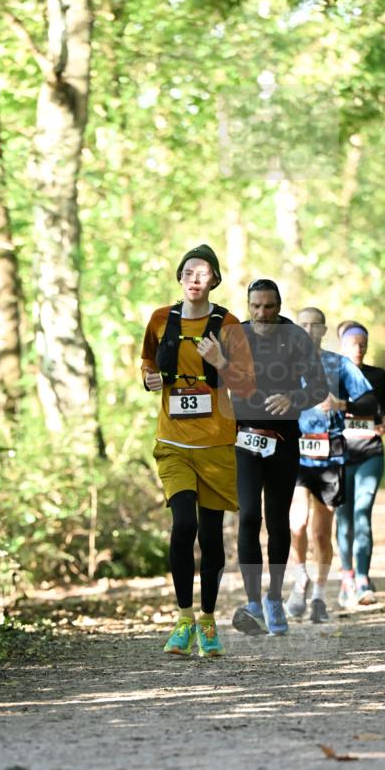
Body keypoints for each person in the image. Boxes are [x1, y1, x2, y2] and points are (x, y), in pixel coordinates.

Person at [141, 243, 255, 658]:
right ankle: (183, 618)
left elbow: (246, 385)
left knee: (210, 534)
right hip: (173, 442)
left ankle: (208, 620)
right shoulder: (159, 320)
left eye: (203, 273)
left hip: (217, 442)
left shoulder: (228, 324)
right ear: (180, 277)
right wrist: (150, 380)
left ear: (215, 280)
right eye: (189, 271)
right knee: (183, 524)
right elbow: (149, 364)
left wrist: (221, 361)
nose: (195, 278)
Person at [230, 280, 328, 636]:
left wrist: (293, 398)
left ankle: (273, 597)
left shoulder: (295, 338)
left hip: (283, 441)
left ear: (279, 305)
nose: (262, 314)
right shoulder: (235, 335)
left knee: (276, 520)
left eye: (269, 307)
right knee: (248, 517)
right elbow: (212, 376)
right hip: (243, 440)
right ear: (248, 305)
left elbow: (318, 387)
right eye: (255, 306)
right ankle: (253, 601)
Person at [286, 308, 376, 623]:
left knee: (321, 534)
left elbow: (369, 402)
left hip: (330, 455)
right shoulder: (284, 364)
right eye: (303, 325)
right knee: (295, 525)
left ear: (323, 330)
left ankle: (319, 596)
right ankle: (299, 580)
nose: (309, 330)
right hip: (295, 454)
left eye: (315, 325)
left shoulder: (339, 364)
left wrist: (341, 404)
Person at [335, 322, 385, 606]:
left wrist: (384, 421)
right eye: (353, 343)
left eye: (363, 343)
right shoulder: (333, 375)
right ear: (343, 346)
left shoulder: (377, 375)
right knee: (344, 519)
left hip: (371, 451)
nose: (358, 348)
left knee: (362, 514)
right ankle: (346, 575)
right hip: (340, 455)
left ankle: (362, 578)